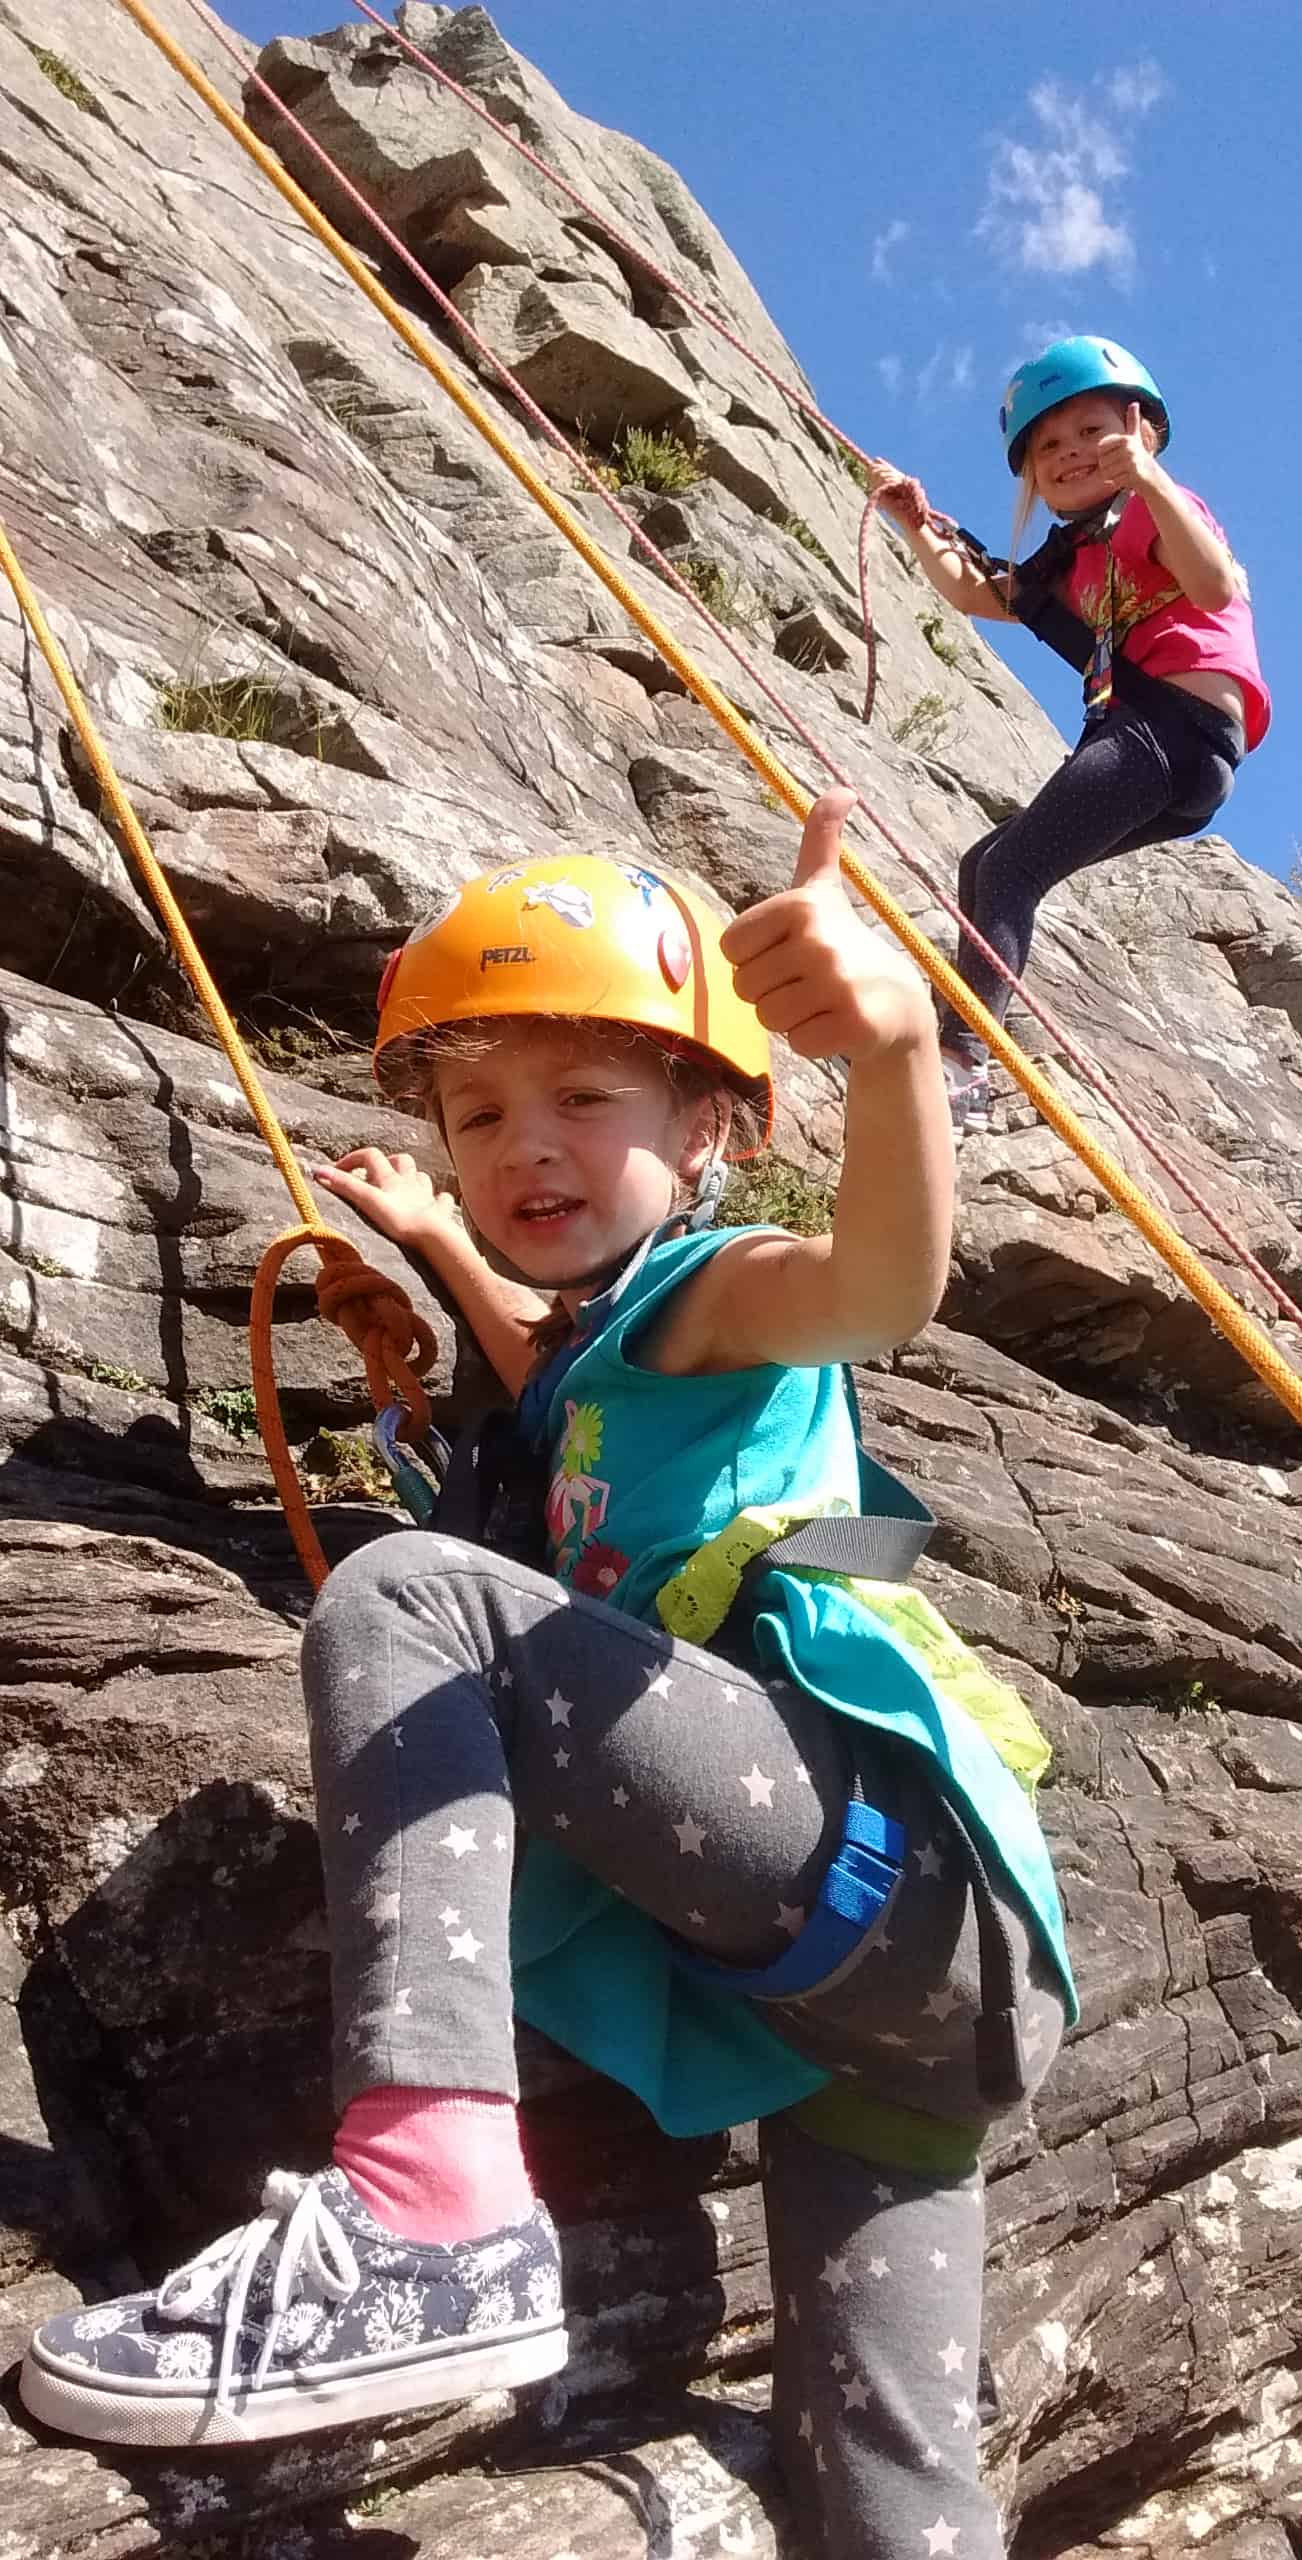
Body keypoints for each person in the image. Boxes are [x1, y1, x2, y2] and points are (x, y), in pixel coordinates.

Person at [20, 797, 1074, 2558]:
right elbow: (548, 1371)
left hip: (872, 1886)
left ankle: (433, 2212)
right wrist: (432, 1268)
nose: (526, 1147)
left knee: (410, 1598)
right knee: (891, 2492)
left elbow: (879, 1286)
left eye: (587, 1097)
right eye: (481, 1109)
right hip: (889, 2020)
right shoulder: (605, 1344)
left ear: (718, 1124)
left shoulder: (722, 1288)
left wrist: (895, 1050)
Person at [870, 334, 1271, 1138]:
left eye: (1090, 431)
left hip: (1175, 729)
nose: (1070, 453)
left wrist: (1149, 479)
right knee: (987, 863)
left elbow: (1214, 583)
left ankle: (960, 1065)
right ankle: (969, 1048)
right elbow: (980, 596)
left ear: (1137, 426)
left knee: (1012, 867)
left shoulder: (1160, 509)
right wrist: (916, 526)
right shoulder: (1071, 560)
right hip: (1163, 752)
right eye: (1048, 446)